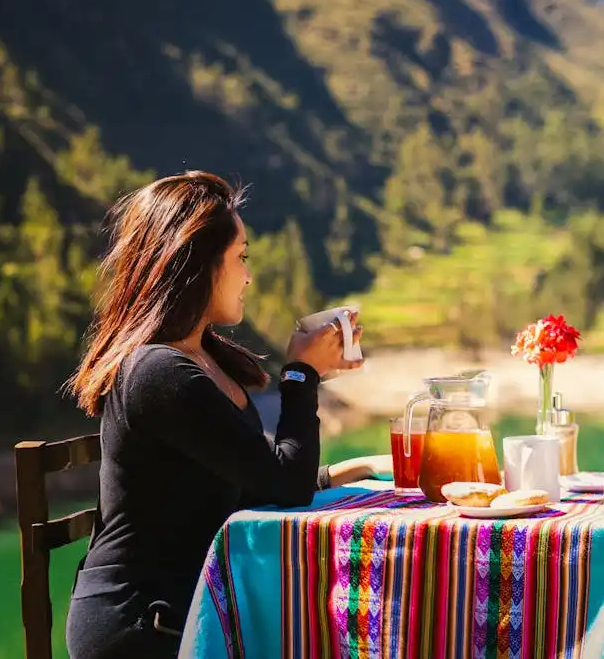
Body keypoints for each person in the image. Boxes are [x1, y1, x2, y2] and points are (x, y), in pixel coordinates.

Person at [64, 171, 388, 659]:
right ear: (198, 264)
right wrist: (301, 375)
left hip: (191, 606)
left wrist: (354, 468)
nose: (248, 275)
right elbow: (285, 486)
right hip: (143, 625)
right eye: (241, 257)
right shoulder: (159, 372)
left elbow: (252, 477)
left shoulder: (201, 359)